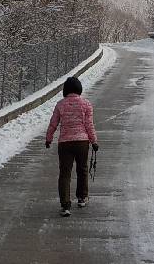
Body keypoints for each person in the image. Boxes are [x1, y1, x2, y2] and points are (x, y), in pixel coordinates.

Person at [45, 76, 99, 217]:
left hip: (65, 143)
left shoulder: (60, 105)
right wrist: (94, 141)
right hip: (82, 142)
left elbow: (53, 123)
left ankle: (65, 205)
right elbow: (89, 125)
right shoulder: (86, 104)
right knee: (82, 170)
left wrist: (48, 138)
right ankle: (82, 198)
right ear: (79, 89)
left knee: (65, 174)